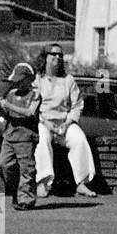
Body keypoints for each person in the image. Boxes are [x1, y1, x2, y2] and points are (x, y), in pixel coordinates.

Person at [33, 45, 97, 198]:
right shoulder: (37, 79)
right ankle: (43, 183)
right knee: (41, 141)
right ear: (45, 57)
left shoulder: (68, 80)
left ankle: (82, 183)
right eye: (53, 54)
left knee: (80, 140)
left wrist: (68, 122)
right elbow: (33, 106)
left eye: (60, 55)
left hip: (64, 122)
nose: (57, 57)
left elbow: (77, 105)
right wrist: (46, 122)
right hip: (43, 122)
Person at [0, 62, 42, 211]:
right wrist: (0, 107)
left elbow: (30, 112)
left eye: (22, 80)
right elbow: (6, 114)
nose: (19, 84)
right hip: (10, 135)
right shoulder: (11, 94)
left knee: (26, 168)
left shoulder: (35, 94)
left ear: (30, 79)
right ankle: (15, 191)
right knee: (4, 164)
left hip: (26, 137)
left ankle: (26, 199)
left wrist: (8, 106)